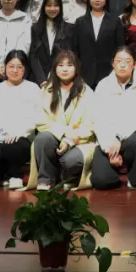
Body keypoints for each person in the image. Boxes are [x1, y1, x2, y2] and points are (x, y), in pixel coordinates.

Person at [28, 50, 96, 191]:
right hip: (55, 136)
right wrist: (64, 133)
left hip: (79, 141)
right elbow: (40, 121)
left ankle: (67, 175)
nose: (65, 69)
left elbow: (90, 125)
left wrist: (69, 140)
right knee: (42, 138)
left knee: (71, 161)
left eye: (69, 65)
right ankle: (46, 179)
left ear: (76, 68)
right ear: (55, 68)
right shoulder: (46, 91)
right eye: (61, 65)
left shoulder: (87, 92)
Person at [91, 46, 136, 190]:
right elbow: (98, 118)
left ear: (134, 64)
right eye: (119, 61)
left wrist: (119, 137)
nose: (122, 65)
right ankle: (114, 170)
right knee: (101, 182)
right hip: (108, 139)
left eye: (127, 61)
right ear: (112, 63)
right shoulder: (103, 85)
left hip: (134, 136)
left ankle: (133, 173)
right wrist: (109, 148)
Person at [0, 50, 39, 190]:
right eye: (11, 66)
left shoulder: (33, 89)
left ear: (25, 69)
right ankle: (4, 175)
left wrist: (20, 132)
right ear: (4, 67)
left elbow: (37, 117)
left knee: (13, 146)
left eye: (19, 67)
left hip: (21, 139)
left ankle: (16, 175)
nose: (15, 70)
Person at [71, 0, 127, 88]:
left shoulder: (115, 21)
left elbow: (120, 48)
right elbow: (75, 50)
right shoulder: (80, 22)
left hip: (109, 74)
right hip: (84, 75)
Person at [29, 0, 72, 84]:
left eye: (56, 5)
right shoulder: (35, 28)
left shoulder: (69, 29)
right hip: (39, 79)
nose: (52, 9)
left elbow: (70, 55)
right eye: (49, 5)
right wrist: (41, 79)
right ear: (43, 7)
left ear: (60, 7)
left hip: (61, 78)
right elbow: (33, 56)